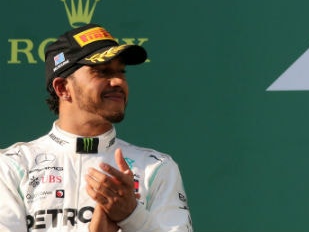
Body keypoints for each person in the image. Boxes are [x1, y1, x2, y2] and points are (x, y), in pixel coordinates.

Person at [0, 23, 192, 232]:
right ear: (63, 88)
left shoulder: (156, 168)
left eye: (121, 72)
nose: (118, 81)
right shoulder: (12, 167)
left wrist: (132, 216)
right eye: (102, 72)